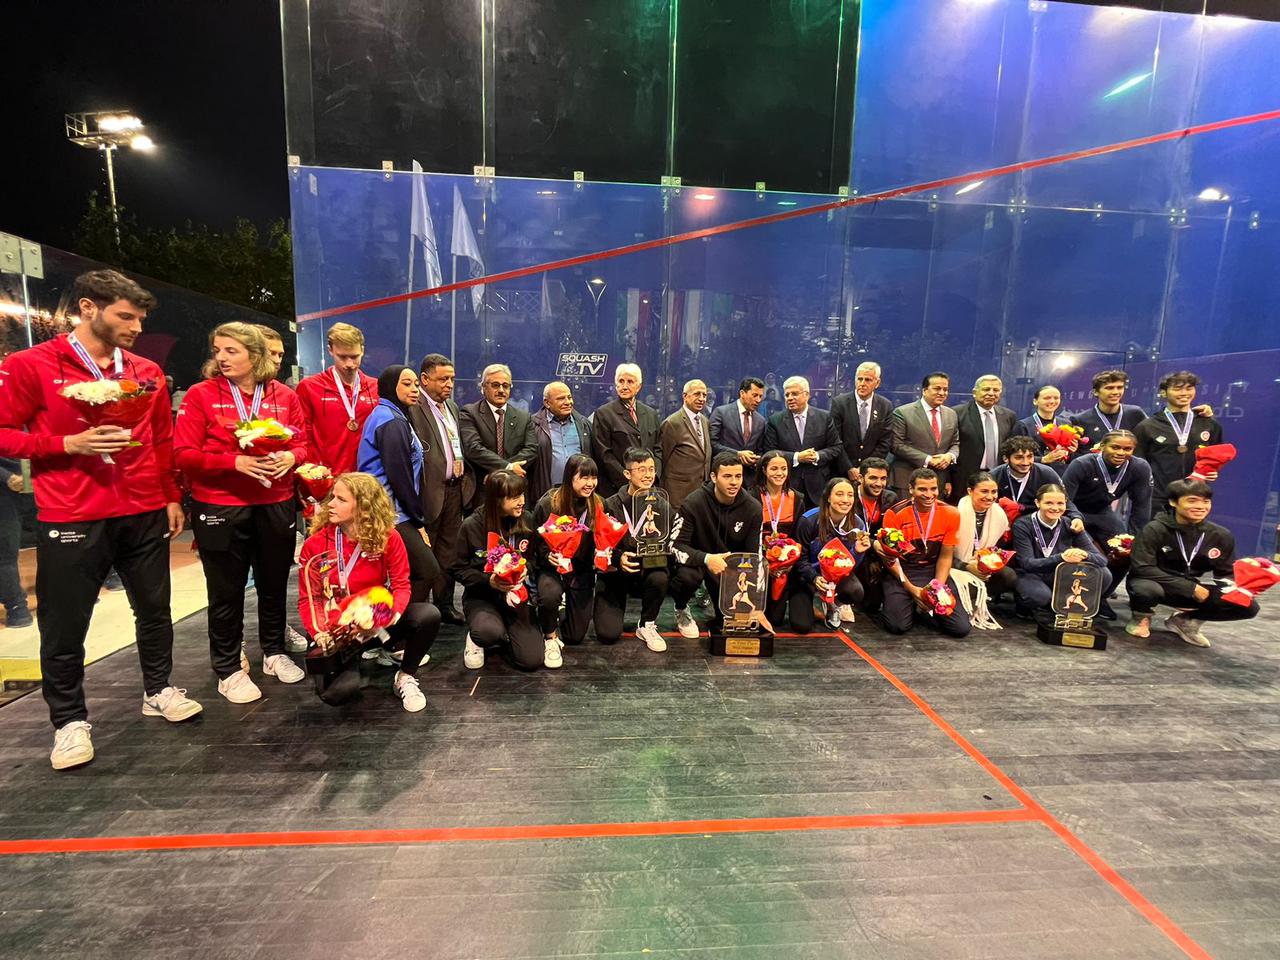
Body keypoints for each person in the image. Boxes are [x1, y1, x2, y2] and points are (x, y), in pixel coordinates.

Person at [0, 270, 201, 769]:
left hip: (143, 510)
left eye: (141, 319)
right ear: (88, 308)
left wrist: (170, 496)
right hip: (73, 511)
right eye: (126, 316)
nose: (136, 327)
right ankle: (69, 721)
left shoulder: (145, 371)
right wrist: (64, 444)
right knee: (65, 624)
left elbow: (160, 439)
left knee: (154, 610)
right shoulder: (32, 364)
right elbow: (3, 431)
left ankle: (158, 689)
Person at [175, 321, 308, 703]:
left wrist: (291, 457)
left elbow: (303, 444)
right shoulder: (201, 394)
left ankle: (274, 652)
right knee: (226, 590)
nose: (221, 357)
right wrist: (233, 463)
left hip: (275, 501)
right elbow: (183, 454)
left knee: (274, 582)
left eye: (231, 350)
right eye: (217, 350)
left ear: (255, 354)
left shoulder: (284, 395)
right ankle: (228, 667)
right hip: (220, 505)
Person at [297, 473, 439, 711]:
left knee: (427, 615)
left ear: (363, 507)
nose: (330, 504)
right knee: (337, 694)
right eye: (333, 497)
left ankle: (405, 676)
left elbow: (401, 585)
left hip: (376, 623)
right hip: (337, 630)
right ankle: (359, 657)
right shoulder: (315, 544)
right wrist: (320, 634)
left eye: (341, 499)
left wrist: (389, 616)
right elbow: (309, 599)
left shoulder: (388, 537)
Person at [1125, 478, 1259, 645]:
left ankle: (1187, 622)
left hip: (1192, 589)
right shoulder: (1154, 529)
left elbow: (1225, 575)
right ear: (1173, 502)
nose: (1201, 506)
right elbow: (1142, 568)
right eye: (1192, 501)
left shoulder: (1220, 535)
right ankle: (1141, 617)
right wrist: (1190, 588)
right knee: (1145, 589)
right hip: (1155, 583)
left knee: (1247, 605)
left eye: (1206, 501)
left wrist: (1243, 588)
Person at [357, 365, 440, 606]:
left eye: (416, 384)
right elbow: (399, 476)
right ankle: (401, 623)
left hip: (391, 510)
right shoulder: (390, 420)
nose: (414, 389)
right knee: (427, 569)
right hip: (390, 512)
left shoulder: (392, 415)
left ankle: (399, 621)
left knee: (408, 572)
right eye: (407, 383)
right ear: (390, 386)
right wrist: (418, 520)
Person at [453, 470, 547, 670]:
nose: (522, 502)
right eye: (514, 498)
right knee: (488, 633)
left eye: (522, 495)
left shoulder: (527, 519)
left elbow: (535, 557)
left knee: (531, 660)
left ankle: (506, 628)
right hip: (482, 596)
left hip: (516, 595)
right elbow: (458, 568)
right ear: (495, 500)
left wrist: (526, 568)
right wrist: (488, 581)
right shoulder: (472, 525)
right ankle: (476, 638)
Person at [407, 353, 474, 623]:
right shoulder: (414, 407)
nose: (449, 384)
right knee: (425, 553)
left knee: (448, 551)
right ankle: (419, 610)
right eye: (443, 379)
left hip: (455, 490)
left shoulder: (452, 407)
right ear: (424, 379)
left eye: (452, 379)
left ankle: (445, 604)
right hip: (428, 491)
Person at [670, 452, 764, 638]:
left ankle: (712, 596)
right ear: (713, 477)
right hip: (697, 563)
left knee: (732, 627)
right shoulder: (693, 502)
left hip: (729, 569)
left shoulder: (753, 508)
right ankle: (681, 608)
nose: (734, 482)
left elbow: (754, 557)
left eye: (738, 476)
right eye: (727, 476)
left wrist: (750, 591)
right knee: (687, 577)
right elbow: (675, 546)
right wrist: (706, 559)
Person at [1062, 430, 1153, 619]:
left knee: (1125, 554)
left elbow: (1142, 505)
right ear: (1102, 446)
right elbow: (1064, 499)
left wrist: (1133, 539)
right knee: (1085, 552)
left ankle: (1100, 597)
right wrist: (1075, 517)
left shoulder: (1139, 467)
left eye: (1127, 449)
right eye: (1115, 447)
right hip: (1074, 512)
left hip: (1103, 514)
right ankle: (1071, 596)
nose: (1121, 452)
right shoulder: (1082, 464)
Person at [877, 468, 971, 637]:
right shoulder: (895, 513)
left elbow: (945, 556)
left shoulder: (951, 513)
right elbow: (890, 560)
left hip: (932, 571)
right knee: (897, 626)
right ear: (911, 489)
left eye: (933, 489)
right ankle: (906, 603)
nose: (929, 495)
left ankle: (920, 607)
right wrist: (914, 591)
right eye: (922, 489)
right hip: (902, 571)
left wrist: (935, 591)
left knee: (961, 628)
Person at [596, 447, 669, 652]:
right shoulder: (609, 504)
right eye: (641, 469)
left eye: (651, 469)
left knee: (660, 577)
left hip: (647, 570)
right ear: (627, 474)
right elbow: (599, 546)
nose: (648, 475)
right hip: (615, 574)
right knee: (607, 634)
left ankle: (647, 624)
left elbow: (670, 540)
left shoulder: (662, 504)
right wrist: (618, 558)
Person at [532, 453, 602, 654]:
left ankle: (561, 608)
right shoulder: (548, 503)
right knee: (549, 595)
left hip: (581, 570)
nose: (590, 483)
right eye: (584, 477)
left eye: (594, 477)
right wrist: (547, 556)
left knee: (574, 636)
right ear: (570, 477)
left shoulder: (598, 504)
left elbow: (601, 539)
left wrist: (601, 553)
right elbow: (535, 544)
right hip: (551, 569)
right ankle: (549, 634)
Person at [1010, 483, 1111, 618]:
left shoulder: (1070, 524)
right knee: (1039, 596)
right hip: (1031, 574)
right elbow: (1026, 563)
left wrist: (1084, 554)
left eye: (1060, 503)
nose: (1055, 508)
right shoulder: (1023, 525)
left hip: (1059, 574)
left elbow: (1102, 560)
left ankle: (1063, 606)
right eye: (1049, 503)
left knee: (1104, 574)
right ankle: (1026, 604)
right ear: (1037, 503)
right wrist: (1061, 558)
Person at [1134, 371, 1223, 516]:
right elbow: (1138, 464)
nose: (1184, 393)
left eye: (1189, 388)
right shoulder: (1147, 426)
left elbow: (1216, 455)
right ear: (1163, 393)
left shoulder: (1209, 424)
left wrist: (1213, 470)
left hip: (1195, 497)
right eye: (1177, 389)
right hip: (1158, 497)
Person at [294, 322, 378, 475]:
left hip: (366, 479)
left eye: (354, 357)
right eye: (342, 357)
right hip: (327, 477)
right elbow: (303, 436)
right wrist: (313, 473)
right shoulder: (309, 387)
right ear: (330, 350)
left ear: (362, 350)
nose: (349, 364)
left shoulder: (376, 387)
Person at [793, 478, 871, 630]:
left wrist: (857, 552)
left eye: (850, 495)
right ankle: (814, 600)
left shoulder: (858, 524)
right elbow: (800, 558)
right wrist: (814, 578)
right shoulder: (809, 520)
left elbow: (849, 565)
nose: (845, 500)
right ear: (828, 497)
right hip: (807, 576)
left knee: (855, 592)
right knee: (801, 626)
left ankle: (834, 604)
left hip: (836, 577)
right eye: (839, 494)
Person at [1070, 368, 1214, 449]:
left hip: (1131, 476)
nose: (1115, 392)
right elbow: (1075, 453)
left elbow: (1161, 430)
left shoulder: (1135, 413)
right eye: (1109, 388)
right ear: (1095, 392)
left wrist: (1191, 413)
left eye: (1119, 387)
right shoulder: (1080, 419)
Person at [459, 363, 538, 504]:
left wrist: (506, 471)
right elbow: (473, 448)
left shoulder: (524, 417)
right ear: (483, 387)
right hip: (483, 492)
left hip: (515, 491)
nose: (501, 390)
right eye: (495, 385)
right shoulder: (469, 413)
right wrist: (508, 467)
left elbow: (531, 449)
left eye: (505, 386)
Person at [761, 375, 842, 510]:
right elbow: (770, 452)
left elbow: (836, 446)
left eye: (794, 394)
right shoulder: (775, 420)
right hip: (788, 485)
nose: (789, 398)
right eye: (787, 395)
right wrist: (797, 457)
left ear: (807, 395)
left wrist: (817, 456)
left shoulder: (824, 417)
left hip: (818, 485)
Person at [591, 363, 662, 497]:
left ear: (638, 386)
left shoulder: (651, 414)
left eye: (630, 382)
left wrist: (652, 476)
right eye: (621, 381)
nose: (624, 386)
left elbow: (658, 449)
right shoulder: (604, 414)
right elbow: (604, 455)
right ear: (616, 385)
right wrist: (630, 480)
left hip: (648, 488)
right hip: (617, 490)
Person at [756, 451, 807, 631]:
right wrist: (765, 563)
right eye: (774, 468)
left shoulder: (797, 498)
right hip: (760, 563)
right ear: (764, 470)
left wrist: (789, 562)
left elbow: (799, 537)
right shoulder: (751, 496)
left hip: (787, 565)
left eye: (783, 469)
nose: (779, 473)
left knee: (778, 620)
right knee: (770, 619)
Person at [953, 471, 1018, 611]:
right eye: (984, 491)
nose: (990, 497)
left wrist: (987, 563)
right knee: (966, 585)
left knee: (1009, 576)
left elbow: (997, 547)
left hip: (982, 564)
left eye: (994, 492)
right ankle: (965, 600)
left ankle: (981, 598)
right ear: (970, 491)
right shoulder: (954, 513)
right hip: (955, 565)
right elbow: (942, 554)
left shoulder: (999, 515)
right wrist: (966, 566)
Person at [889, 372, 960, 498]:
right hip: (907, 480)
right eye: (937, 388)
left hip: (938, 482)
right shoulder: (902, 412)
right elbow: (896, 445)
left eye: (945, 389)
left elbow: (955, 443)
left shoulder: (951, 414)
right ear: (924, 390)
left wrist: (949, 456)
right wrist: (928, 459)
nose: (942, 393)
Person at [950, 374, 1017, 505]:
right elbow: (949, 445)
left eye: (996, 390)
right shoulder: (957, 413)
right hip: (964, 478)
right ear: (974, 393)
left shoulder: (1009, 416)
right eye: (986, 389)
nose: (991, 393)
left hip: (997, 477)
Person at [992, 436, 1086, 527]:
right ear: (1005, 458)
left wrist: (1076, 517)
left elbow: (1064, 500)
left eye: (1030, 456)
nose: (1025, 462)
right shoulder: (994, 476)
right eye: (1019, 457)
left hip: (1036, 526)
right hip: (1002, 524)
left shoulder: (1046, 473)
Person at [528, 381, 592, 506]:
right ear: (547, 403)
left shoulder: (584, 424)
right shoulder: (532, 425)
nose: (568, 402)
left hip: (580, 496)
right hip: (546, 496)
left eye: (569, 397)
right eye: (561, 398)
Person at [832, 361, 894, 485]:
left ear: (877, 383)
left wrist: (865, 469)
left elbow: (884, 443)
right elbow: (835, 440)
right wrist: (849, 468)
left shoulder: (885, 406)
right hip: (841, 472)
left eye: (868, 380)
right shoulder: (840, 403)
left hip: (871, 475)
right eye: (859, 379)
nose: (862, 384)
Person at [659, 378, 712, 508]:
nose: (701, 398)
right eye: (697, 394)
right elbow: (662, 459)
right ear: (685, 396)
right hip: (678, 496)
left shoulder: (705, 421)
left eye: (704, 395)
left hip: (701, 495)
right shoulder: (672, 423)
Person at [709, 376, 767, 487]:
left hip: (750, 481)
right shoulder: (721, 413)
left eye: (760, 396)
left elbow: (760, 449)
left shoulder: (761, 421)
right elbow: (712, 444)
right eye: (754, 395)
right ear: (742, 393)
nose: (758, 400)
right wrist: (737, 454)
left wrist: (755, 460)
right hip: (724, 477)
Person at [1011, 385, 1076, 475]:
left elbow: (1071, 457)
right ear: (1035, 401)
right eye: (1047, 398)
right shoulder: (1023, 425)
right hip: (1034, 474)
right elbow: (1016, 455)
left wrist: (1071, 451)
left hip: (1061, 473)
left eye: (1056, 398)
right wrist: (1042, 459)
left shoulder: (1066, 424)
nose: (1052, 401)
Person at [0, 456, 31, 628]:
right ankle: (17, 607)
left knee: (57, 539)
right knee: (5, 553)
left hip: (37, 477)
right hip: (8, 484)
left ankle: (18, 609)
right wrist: (7, 476)